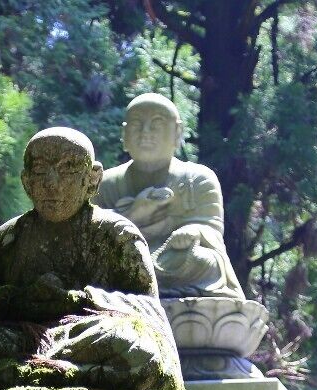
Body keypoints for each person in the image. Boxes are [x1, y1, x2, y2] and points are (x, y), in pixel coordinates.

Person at [0, 126, 183, 390]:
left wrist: (78, 300)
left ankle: (21, 374)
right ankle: (40, 373)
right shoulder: (8, 240)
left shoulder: (116, 235)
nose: (52, 183)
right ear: (26, 181)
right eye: (40, 171)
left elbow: (148, 311)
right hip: (17, 341)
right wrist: (17, 299)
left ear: (92, 179)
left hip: (82, 339)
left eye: (67, 169)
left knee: (136, 348)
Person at [96, 93, 244, 300]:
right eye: (137, 125)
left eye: (156, 125)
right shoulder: (106, 183)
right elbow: (89, 234)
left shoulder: (198, 178)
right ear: (124, 135)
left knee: (206, 262)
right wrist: (133, 214)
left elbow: (211, 227)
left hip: (172, 258)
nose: (145, 133)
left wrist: (192, 232)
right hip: (122, 258)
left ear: (177, 133)